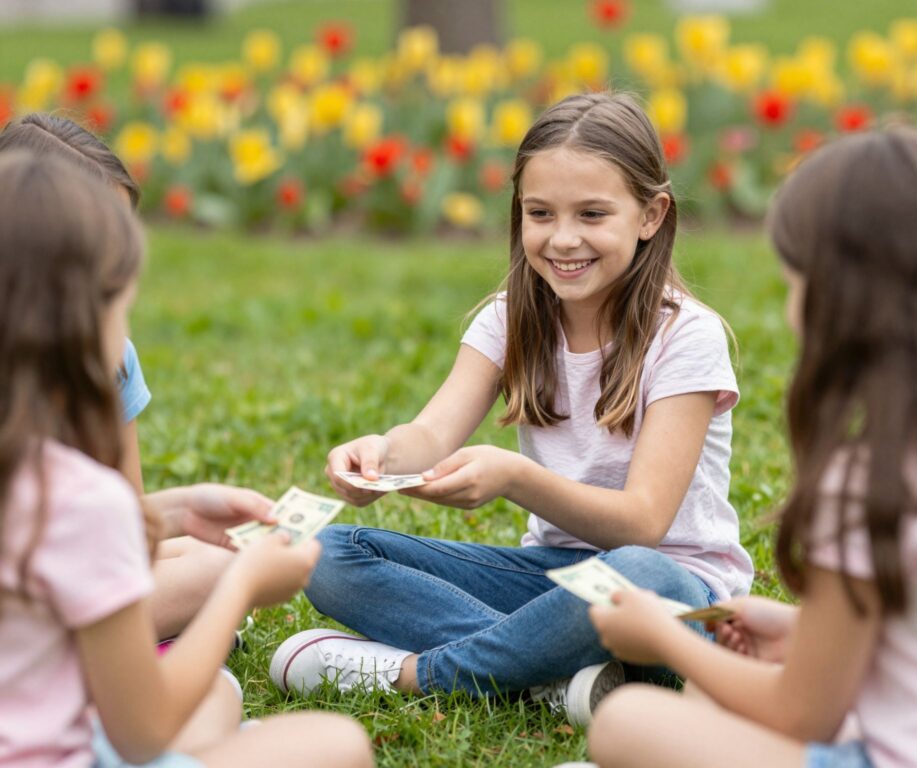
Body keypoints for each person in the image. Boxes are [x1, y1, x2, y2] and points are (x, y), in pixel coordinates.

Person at [270, 92, 753, 726]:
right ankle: (550, 673)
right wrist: (381, 454)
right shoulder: (509, 319)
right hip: (549, 581)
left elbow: (642, 525)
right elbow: (430, 432)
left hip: (674, 595)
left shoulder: (686, 336)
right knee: (327, 552)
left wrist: (516, 478)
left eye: (592, 214)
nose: (563, 239)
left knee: (639, 572)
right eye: (540, 213)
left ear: (651, 214)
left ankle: (414, 675)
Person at [583, 127, 917, 767]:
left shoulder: (870, 483)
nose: (791, 308)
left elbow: (801, 713)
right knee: (715, 693)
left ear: (843, 301)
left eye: (796, 282)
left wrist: (665, 639)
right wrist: (799, 631)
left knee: (627, 721)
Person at [0, 150, 374, 768]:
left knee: (219, 704)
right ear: (84, 317)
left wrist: (172, 512)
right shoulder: (75, 500)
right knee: (339, 746)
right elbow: (141, 734)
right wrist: (242, 584)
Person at [0, 113, 261, 642]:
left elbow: (122, 523)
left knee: (212, 557)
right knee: (219, 578)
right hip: (27, 613)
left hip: (72, 576)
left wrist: (185, 513)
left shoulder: (115, 359)